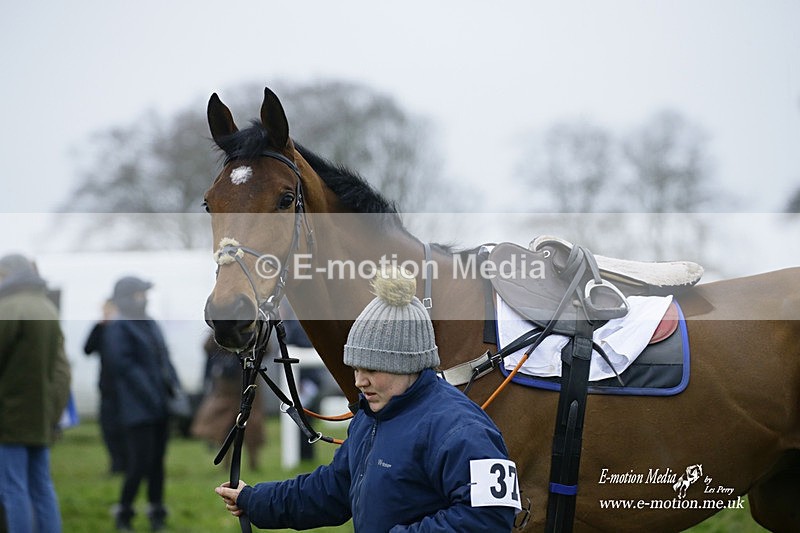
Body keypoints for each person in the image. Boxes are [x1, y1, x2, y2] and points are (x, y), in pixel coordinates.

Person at [215, 267, 518, 532]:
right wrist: (254, 500)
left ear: (407, 363)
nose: (359, 381)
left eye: (371, 369)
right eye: (356, 368)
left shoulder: (463, 429)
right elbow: (331, 490)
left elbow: (489, 520)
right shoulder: (370, 416)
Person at [0, 253, 71, 533]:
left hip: (9, 416)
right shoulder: (46, 307)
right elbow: (60, 368)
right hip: (41, 415)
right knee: (41, 487)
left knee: (12, 489)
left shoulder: (8, 307)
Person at [102, 276, 179, 531]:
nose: (144, 299)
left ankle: (157, 513)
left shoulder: (149, 323)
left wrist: (174, 391)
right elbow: (123, 367)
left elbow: (164, 358)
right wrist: (152, 395)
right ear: (126, 297)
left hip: (159, 407)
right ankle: (124, 513)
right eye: (138, 294)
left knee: (157, 463)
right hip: (136, 410)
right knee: (138, 464)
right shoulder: (118, 327)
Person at [191, 332, 265, 471]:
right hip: (227, 384)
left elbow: (266, 348)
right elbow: (208, 346)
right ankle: (225, 464)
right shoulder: (223, 323)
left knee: (252, 424)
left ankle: (254, 463)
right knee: (224, 425)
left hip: (249, 380)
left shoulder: (253, 324)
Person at [83, 299, 127, 475]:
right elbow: (87, 349)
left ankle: (127, 463)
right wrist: (98, 327)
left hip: (125, 389)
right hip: (107, 387)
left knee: (125, 427)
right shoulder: (101, 329)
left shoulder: (125, 328)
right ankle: (116, 463)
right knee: (108, 427)